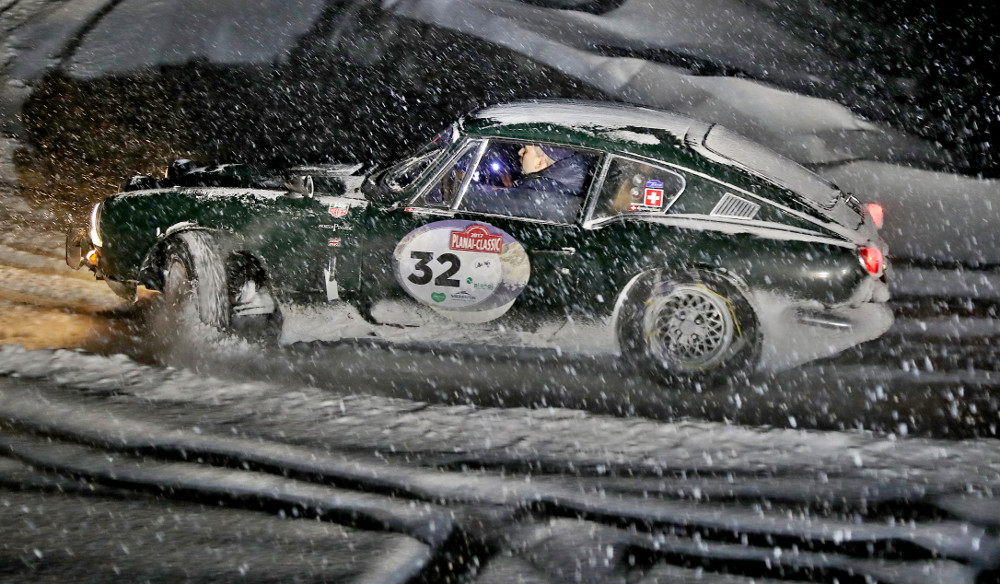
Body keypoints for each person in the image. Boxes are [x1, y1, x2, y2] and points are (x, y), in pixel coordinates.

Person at [461, 144, 590, 223]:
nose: (520, 152)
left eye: (526, 151)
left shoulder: (535, 191)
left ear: (539, 163)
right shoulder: (560, 186)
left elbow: (478, 207)